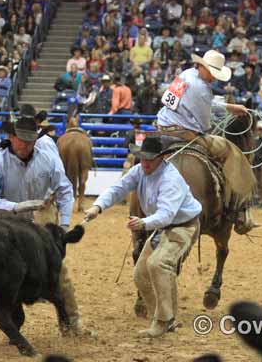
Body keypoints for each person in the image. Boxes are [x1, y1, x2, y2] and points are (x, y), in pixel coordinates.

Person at [0, 109, 90, 336]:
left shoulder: (47, 157)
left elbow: (65, 190)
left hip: (30, 227)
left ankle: (72, 323)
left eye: (30, 141)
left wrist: (64, 226)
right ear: (11, 137)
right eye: (21, 140)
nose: (25, 145)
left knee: (60, 273)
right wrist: (14, 207)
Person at [84, 137, 201, 338]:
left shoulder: (171, 179)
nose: (145, 163)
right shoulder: (140, 170)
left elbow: (166, 214)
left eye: (150, 159)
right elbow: (118, 189)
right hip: (162, 227)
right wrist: (98, 206)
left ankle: (163, 321)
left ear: (162, 158)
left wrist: (143, 223)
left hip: (183, 227)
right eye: (142, 158)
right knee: (140, 274)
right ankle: (167, 317)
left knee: (157, 264)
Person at [156, 49, 257, 234]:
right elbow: (204, 126)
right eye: (213, 73)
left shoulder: (185, 74)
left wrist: (229, 107)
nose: (214, 78)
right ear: (203, 67)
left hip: (162, 127)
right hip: (185, 134)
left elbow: (167, 99)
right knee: (232, 152)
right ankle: (239, 209)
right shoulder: (202, 89)